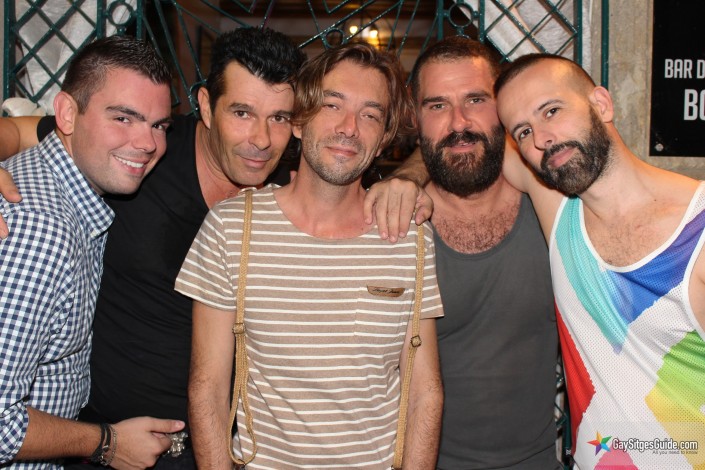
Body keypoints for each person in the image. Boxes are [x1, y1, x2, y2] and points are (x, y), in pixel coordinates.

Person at [175, 42, 444, 469]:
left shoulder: (409, 234)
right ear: (299, 121)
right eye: (332, 105)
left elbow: (425, 392)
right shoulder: (233, 227)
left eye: (370, 115)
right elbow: (207, 386)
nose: (349, 128)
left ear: (382, 140)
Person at [494, 54, 705, 469]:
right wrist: (405, 180)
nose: (542, 139)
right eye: (524, 131)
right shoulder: (558, 210)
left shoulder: (697, 230)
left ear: (602, 104)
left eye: (552, 111)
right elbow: (459, 140)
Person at [0, 36, 184, 469]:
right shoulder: (42, 230)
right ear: (66, 113)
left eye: (159, 125)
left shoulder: (65, 192)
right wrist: (107, 443)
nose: (147, 143)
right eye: (123, 118)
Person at [400, 36, 560, 469]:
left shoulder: (551, 209)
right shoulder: (396, 228)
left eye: (475, 99)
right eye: (437, 105)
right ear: (416, 119)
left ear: (502, 107)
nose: (459, 122)